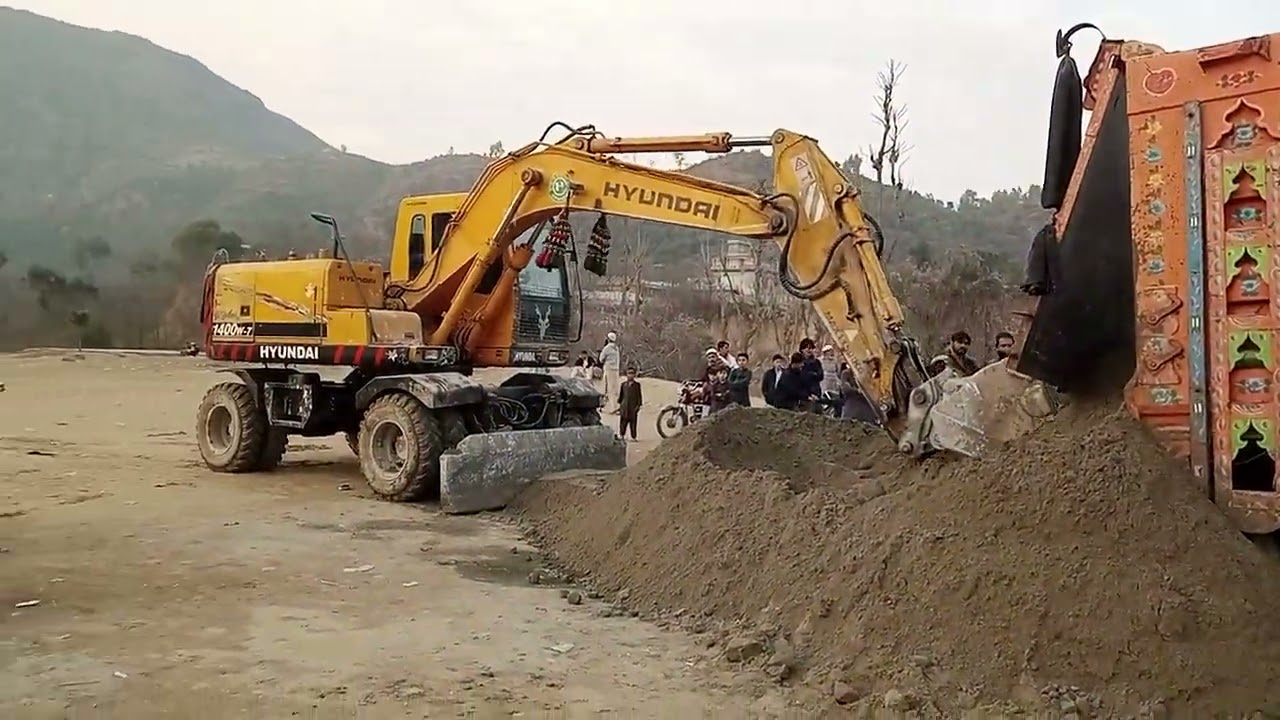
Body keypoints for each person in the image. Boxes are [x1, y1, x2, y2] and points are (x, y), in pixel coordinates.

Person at [797, 338, 824, 412]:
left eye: (811, 348)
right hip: (805, 396)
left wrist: (812, 375)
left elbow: (821, 375)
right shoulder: (799, 361)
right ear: (802, 349)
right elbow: (800, 378)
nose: (809, 350)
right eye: (807, 348)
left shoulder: (816, 362)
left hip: (816, 393)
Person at [617, 366, 643, 441]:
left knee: (633, 423)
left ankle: (633, 437)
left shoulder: (637, 385)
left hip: (633, 407)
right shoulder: (623, 385)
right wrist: (620, 405)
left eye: (632, 373)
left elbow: (639, 396)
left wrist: (638, 405)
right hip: (624, 406)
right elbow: (621, 396)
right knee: (623, 422)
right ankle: (622, 435)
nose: (630, 375)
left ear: (634, 375)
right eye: (629, 373)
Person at [599, 331, 621, 413]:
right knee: (615, 388)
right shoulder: (616, 348)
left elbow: (601, 359)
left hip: (608, 369)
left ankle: (612, 407)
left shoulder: (607, 348)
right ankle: (615, 405)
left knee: (607, 388)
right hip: (616, 369)